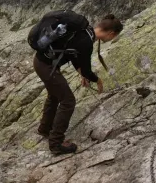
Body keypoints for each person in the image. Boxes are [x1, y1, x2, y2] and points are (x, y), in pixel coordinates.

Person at [30, 11, 123, 155]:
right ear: (111, 33)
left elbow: (74, 56)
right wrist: (97, 80)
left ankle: (45, 129)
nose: (111, 39)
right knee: (68, 101)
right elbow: (86, 69)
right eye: (113, 37)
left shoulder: (83, 32)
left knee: (54, 95)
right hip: (46, 67)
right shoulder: (87, 41)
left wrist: (82, 74)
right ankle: (56, 143)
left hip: (41, 63)